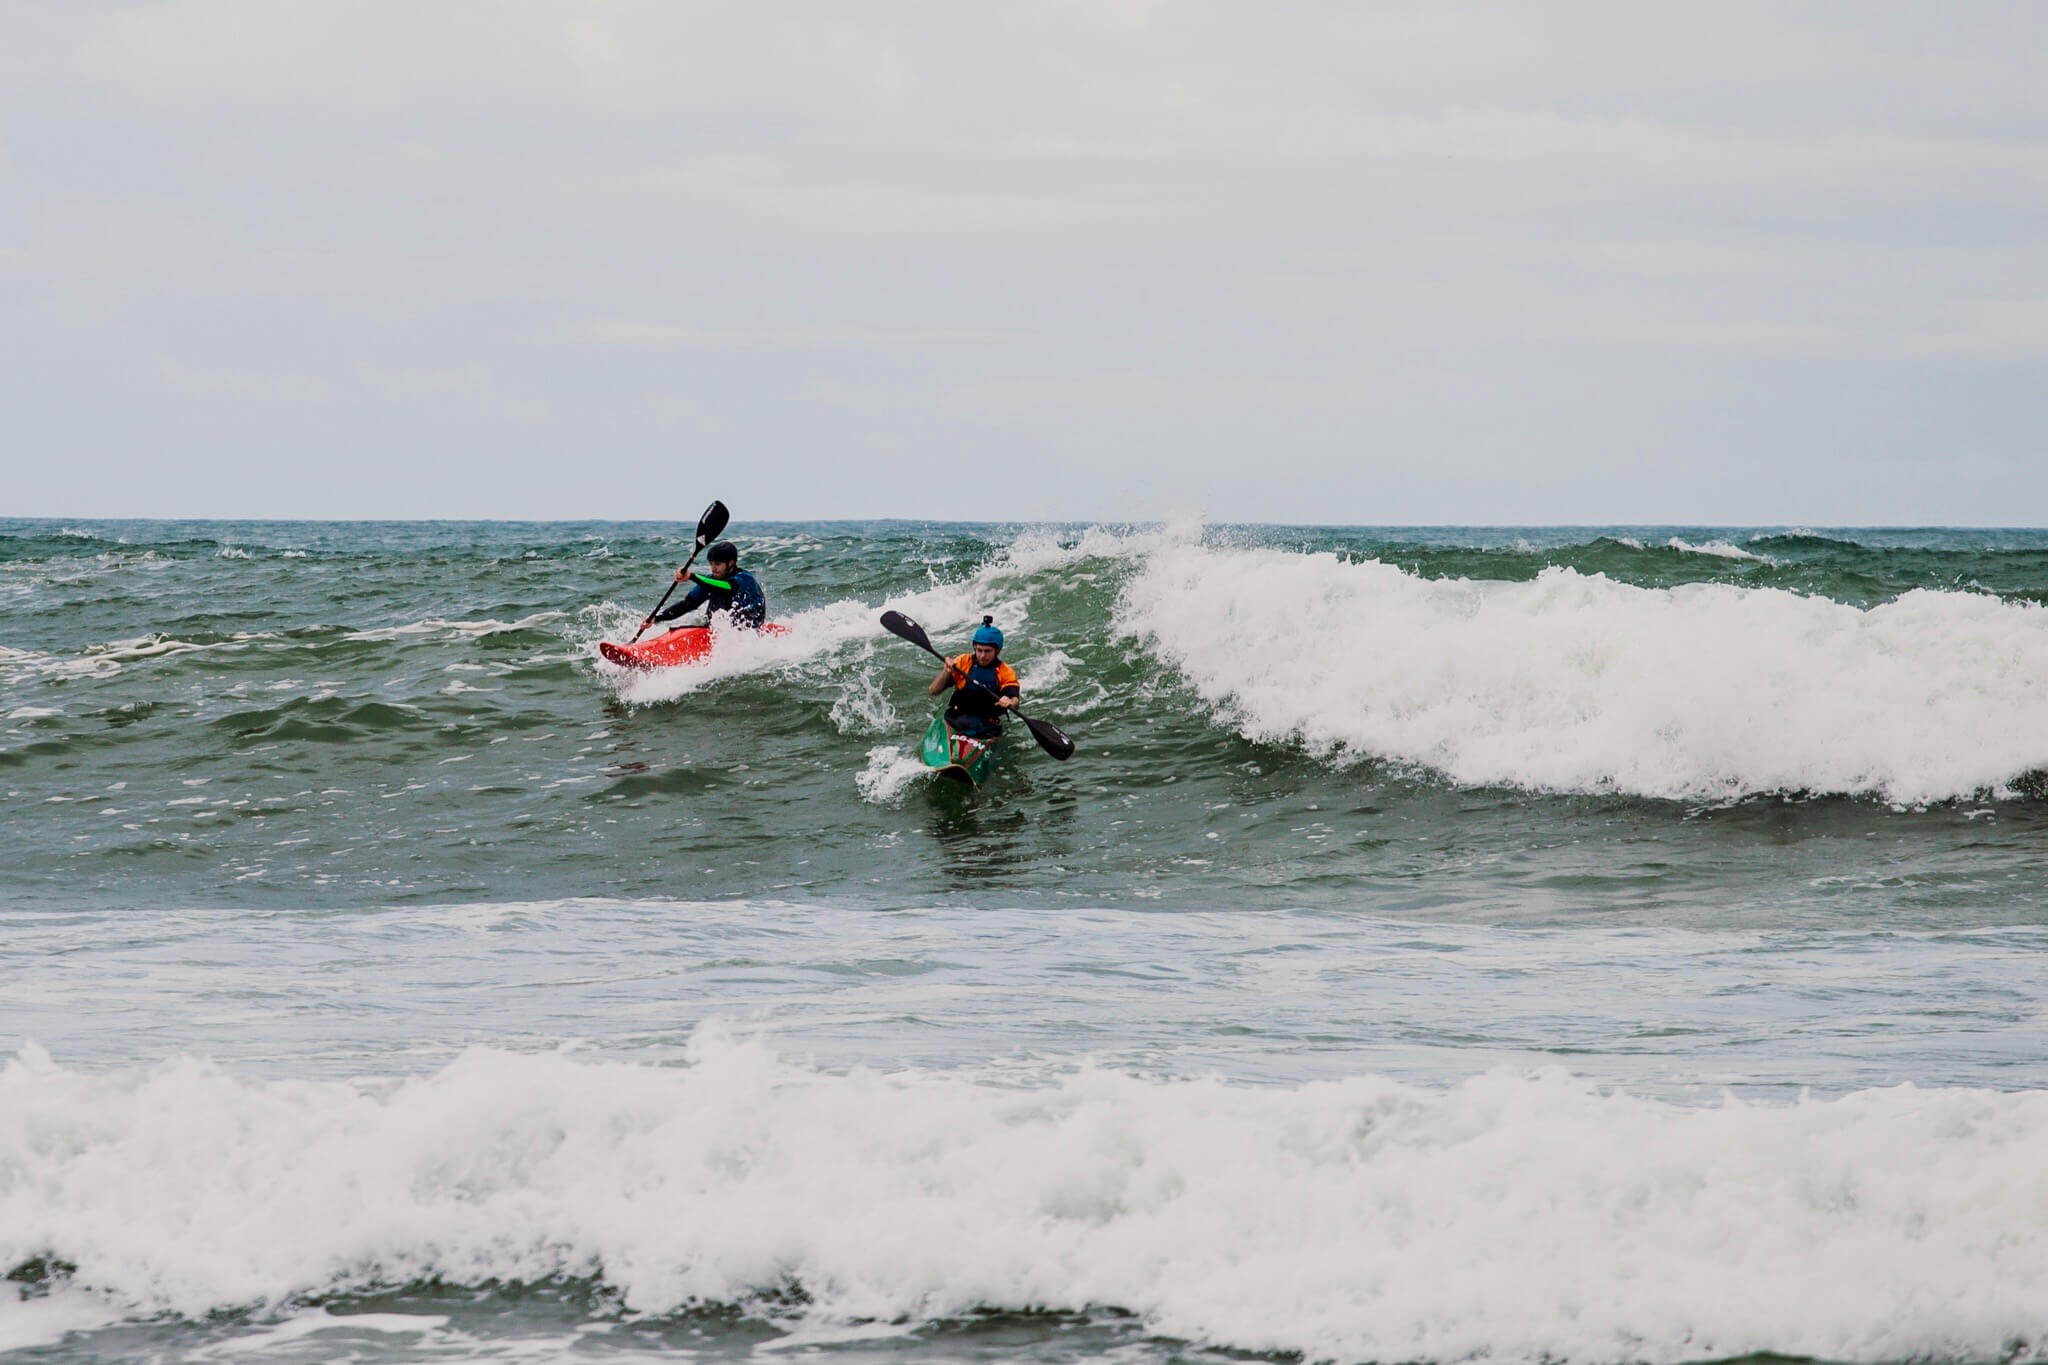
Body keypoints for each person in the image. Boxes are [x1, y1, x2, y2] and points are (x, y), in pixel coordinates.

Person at [641, 541, 767, 632]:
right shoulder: (711, 581)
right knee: (709, 598)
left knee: (718, 591)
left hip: (749, 630)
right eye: (711, 564)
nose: (713, 568)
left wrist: (692, 577)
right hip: (723, 630)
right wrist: (657, 618)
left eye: (718, 564)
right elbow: (687, 604)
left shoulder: (745, 578)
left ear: (731, 563)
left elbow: (728, 587)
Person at [929, 616, 1020, 739]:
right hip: (957, 718)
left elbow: (1015, 701)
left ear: (997, 651)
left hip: (987, 724)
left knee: (981, 727)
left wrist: (1009, 702)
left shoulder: (1005, 671)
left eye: (987, 651)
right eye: (979, 650)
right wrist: (946, 672)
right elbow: (933, 691)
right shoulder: (962, 662)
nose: (982, 656)